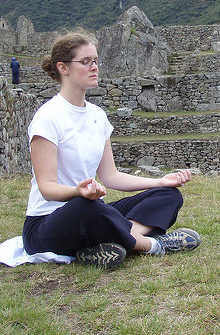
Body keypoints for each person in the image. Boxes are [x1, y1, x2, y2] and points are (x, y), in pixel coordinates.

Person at [22, 32, 200, 269]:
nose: (94, 67)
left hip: (95, 210)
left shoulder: (98, 116)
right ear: (63, 68)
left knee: (168, 196)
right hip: (48, 222)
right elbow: (46, 188)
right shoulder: (48, 117)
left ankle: (106, 245)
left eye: (95, 60)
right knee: (88, 208)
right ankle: (152, 245)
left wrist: (159, 182)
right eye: (85, 62)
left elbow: (110, 177)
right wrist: (77, 192)